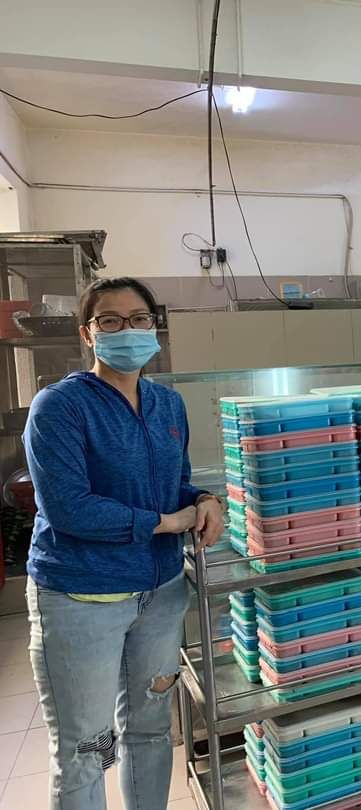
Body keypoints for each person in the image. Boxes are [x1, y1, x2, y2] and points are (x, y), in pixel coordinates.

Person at [23, 277, 225, 810]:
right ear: (87, 334)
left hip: (159, 594)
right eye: (109, 321)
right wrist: (165, 522)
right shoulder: (59, 407)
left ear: (154, 327)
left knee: (150, 730)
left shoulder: (167, 404)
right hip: (82, 597)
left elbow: (176, 482)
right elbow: (70, 508)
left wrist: (205, 500)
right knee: (88, 749)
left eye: (138, 319)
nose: (127, 330)